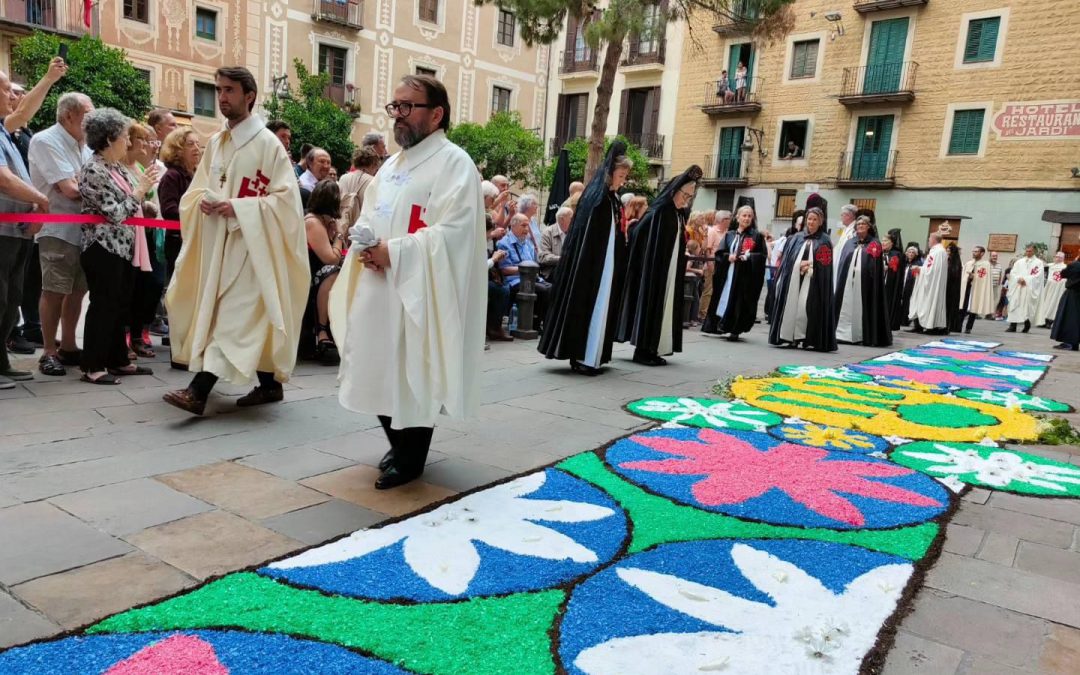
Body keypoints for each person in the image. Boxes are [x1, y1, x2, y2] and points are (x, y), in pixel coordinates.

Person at [332, 74, 485, 490]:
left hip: (421, 289)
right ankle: (398, 440)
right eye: (394, 106)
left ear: (436, 114)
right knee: (376, 364)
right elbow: (371, 212)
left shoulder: (455, 164)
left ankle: (411, 457)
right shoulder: (392, 165)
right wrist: (364, 240)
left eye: (407, 107)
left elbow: (455, 232)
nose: (397, 115)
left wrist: (396, 252)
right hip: (379, 284)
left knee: (415, 367)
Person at [163, 66, 309, 415]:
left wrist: (239, 208)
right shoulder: (216, 142)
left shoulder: (268, 145)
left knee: (232, 317)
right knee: (229, 316)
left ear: (250, 96)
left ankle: (198, 391)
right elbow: (196, 190)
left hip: (253, 249)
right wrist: (203, 203)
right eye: (219, 90)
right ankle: (270, 385)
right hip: (219, 247)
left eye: (229, 90)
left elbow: (286, 203)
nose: (222, 97)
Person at [77, 109, 159, 384]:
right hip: (102, 247)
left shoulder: (113, 168)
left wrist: (142, 201)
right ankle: (92, 365)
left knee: (119, 305)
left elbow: (130, 205)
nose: (128, 141)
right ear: (110, 139)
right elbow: (114, 213)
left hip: (121, 247)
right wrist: (139, 191)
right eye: (124, 136)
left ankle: (118, 360)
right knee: (103, 305)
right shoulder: (94, 169)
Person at [540, 142, 631, 376]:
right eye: (620, 175)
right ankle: (582, 355)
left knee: (602, 307)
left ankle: (594, 355)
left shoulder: (612, 198)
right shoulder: (596, 195)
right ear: (610, 173)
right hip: (591, 266)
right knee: (590, 305)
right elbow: (587, 236)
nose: (622, 180)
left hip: (606, 264)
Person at [27, 91, 92, 377]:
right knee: (54, 290)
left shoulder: (86, 145)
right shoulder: (46, 140)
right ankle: (48, 352)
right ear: (68, 115)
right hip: (57, 229)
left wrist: (79, 183)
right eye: (87, 114)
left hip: (84, 231)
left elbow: (83, 185)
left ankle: (68, 346)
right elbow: (71, 190)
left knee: (78, 290)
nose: (92, 120)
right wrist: (78, 184)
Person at [0, 67, 56, 387]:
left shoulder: (4, 128)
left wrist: (48, 79)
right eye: (7, 89)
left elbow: (24, 111)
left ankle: (1, 359)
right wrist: (40, 199)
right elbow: (3, 179)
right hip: (3, 234)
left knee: (11, 300)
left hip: (16, 232)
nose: (13, 96)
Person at [617, 165, 701, 364]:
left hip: (669, 269)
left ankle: (655, 348)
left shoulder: (677, 214)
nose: (687, 200)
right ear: (674, 191)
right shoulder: (659, 212)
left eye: (691, 197)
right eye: (685, 195)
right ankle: (644, 350)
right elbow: (639, 234)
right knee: (651, 306)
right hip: (654, 271)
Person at [769, 207, 836, 352]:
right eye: (809, 219)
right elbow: (787, 261)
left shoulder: (824, 240)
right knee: (792, 306)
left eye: (815, 219)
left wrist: (812, 267)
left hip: (814, 283)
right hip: (794, 281)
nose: (811, 222)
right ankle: (790, 337)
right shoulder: (796, 238)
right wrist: (798, 265)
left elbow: (826, 265)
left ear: (820, 222)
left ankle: (808, 338)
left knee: (808, 308)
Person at [123, 123, 164, 360]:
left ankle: (138, 333)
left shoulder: (142, 167)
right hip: (129, 236)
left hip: (149, 234)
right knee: (130, 287)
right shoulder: (124, 167)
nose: (150, 145)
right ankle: (126, 337)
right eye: (144, 139)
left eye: (152, 140)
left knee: (149, 285)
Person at [701, 203, 766, 341]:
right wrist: (727, 257)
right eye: (744, 215)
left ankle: (735, 329)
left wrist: (749, 257)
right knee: (723, 298)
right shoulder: (730, 235)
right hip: (728, 274)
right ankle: (719, 325)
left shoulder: (756, 236)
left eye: (749, 216)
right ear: (737, 217)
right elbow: (719, 253)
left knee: (738, 301)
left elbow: (762, 256)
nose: (747, 218)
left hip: (744, 276)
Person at [304, 180, 345, 365]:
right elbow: (331, 258)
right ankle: (322, 329)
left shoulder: (324, 222)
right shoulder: (313, 222)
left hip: (316, 273)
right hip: (311, 276)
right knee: (333, 271)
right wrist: (338, 237)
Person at [833, 216, 891, 347]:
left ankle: (863, 334)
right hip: (848, 283)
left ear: (869, 227)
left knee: (863, 307)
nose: (860, 226)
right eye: (858, 224)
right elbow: (843, 262)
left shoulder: (874, 244)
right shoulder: (849, 243)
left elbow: (874, 267)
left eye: (863, 224)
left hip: (866, 284)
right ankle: (842, 334)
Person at [158, 127, 202, 283]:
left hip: (194, 239)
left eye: (198, 143)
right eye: (190, 144)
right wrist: (198, 214)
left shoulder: (197, 174)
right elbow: (168, 210)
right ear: (178, 149)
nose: (197, 148)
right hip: (178, 241)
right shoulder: (172, 176)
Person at [497, 213, 550, 327]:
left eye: (528, 226)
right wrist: (524, 270)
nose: (527, 229)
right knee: (542, 291)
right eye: (523, 226)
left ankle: (544, 323)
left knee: (552, 288)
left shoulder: (527, 243)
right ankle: (533, 324)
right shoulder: (504, 243)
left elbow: (535, 262)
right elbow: (503, 269)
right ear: (513, 226)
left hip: (532, 278)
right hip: (514, 280)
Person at [907, 233, 949, 334]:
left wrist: (919, 269)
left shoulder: (937, 252)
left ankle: (932, 327)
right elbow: (931, 268)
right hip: (933, 282)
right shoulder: (939, 251)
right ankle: (921, 326)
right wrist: (921, 269)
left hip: (932, 284)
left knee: (929, 302)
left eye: (929, 239)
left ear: (934, 240)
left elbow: (932, 271)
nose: (928, 241)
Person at [338, 146, 381, 230]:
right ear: (373, 164)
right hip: (363, 229)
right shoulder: (374, 181)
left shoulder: (343, 178)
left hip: (343, 226)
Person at [699, 210, 730, 321]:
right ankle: (703, 313)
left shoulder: (727, 232)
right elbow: (708, 249)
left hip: (722, 265)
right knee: (708, 290)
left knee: (717, 290)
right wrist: (710, 263)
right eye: (728, 218)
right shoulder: (712, 231)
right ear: (723, 220)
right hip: (712, 264)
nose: (730, 220)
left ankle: (712, 313)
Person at [1006, 244, 1045, 333]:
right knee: (1014, 305)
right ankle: (1012, 326)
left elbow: (1038, 276)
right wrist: (1018, 279)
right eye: (1026, 251)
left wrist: (1026, 280)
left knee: (1026, 307)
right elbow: (1013, 273)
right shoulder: (1019, 262)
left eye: (1030, 251)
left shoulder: (1038, 263)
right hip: (1018, 287)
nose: (1027, 253)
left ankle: (1026, 325)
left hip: (1028, 288)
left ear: (1034, 251)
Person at [958, 246, 995, 334]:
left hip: (977, 288)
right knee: (963, 306)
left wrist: (974, 277)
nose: (974, 253)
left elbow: (984, 278)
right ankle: (958, 326)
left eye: (976, 251)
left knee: (973, 308)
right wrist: (968, 277)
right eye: (973, 251)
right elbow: (963, 276)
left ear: (982, 253)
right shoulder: (969, 263)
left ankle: (968, 328)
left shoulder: (986, 264)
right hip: (967, 287)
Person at [1050, 252, 1080, 350]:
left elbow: (1063, 274)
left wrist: (1075, 261)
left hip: (1072, 294)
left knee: (1068, 318)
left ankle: (1069, 342)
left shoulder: (1075, 265)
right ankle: (1075, 343)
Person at [539, 205, 571, 282]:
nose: (573, 221)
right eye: (571, 218)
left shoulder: (571, 233)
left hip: (566, 268)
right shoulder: (548, 233)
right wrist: (563, 259)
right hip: (551, 271)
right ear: (562, 219)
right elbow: (544, 257)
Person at [882, 228, 906, 331]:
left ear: (892, 243)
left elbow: (896, 270)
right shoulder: (879, 252)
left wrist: (888, 268)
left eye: (886, 241)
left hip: (890, 284)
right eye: (882, 240)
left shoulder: (896, 254)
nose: (883, 243)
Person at [1037, 251, 1068, 328]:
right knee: (1046, 303)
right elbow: (1041, 265)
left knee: (1054, 303)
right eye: (1055, 256)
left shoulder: (1065, 267)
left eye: (1056, 257)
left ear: (1061, 258)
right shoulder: (1051, 265)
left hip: (1058, 289)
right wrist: (1040, 257)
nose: (1055, 258)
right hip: (1049, 287)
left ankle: (1050, 321)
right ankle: (1043, 320)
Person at [899, 245, 922, 327]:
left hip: (911, 286)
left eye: (913, 252)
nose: (911, 254)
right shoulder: (905, 263)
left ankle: (906, 320)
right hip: (904, 284)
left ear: (916, 254)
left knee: (908, 303)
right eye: (909, 252)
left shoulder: (918, 263)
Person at [946, 243, 963, 333]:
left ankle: (949, 326)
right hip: (947, 287)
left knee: (950, 307)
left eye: (949, 251)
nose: (947, 252)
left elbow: (954, 274)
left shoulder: (955, 261)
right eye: (947, 250)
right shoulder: (948, 259)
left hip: (952, 289)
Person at [989, 251, 1005, 318]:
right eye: (993, 256)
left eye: (996, 256)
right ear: (990, 256)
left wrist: (999, 282)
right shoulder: (987, 264)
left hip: (996, 285)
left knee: (995, 299)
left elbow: (1000, 274)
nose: (995, 257)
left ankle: (991, 314)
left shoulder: (999, 264)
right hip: (988, 285)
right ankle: (988, 313)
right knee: (988, 299)